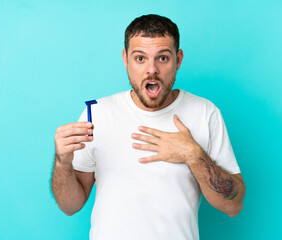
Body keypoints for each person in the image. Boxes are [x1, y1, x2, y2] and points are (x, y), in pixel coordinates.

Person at [51, 14, 246, 240]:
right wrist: (62, 162)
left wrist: (194, 155)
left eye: (162, 58)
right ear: (125, 59)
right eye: (140, 58)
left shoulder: (205, 113)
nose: (151, 70)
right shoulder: (98, 114)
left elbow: (234, 206)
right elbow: (69, 206)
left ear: (178, 59)